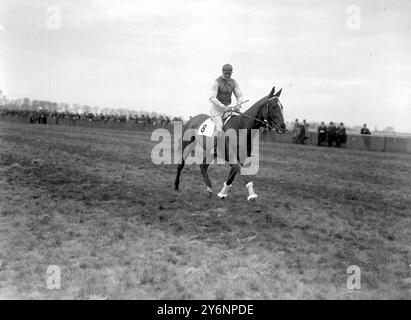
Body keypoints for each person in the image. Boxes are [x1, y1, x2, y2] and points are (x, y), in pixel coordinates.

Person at [209, 64, 245, 136]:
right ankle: (211, 146)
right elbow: (212, 98)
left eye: (230, 74)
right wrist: (223, 106)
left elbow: (240, 96)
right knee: (219, 126)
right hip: (216, 110)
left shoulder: (234, 82)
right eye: (226, 73)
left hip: (227, 110)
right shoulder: (216, 82)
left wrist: (238, 105)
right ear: (222, 72)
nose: (228, 75)